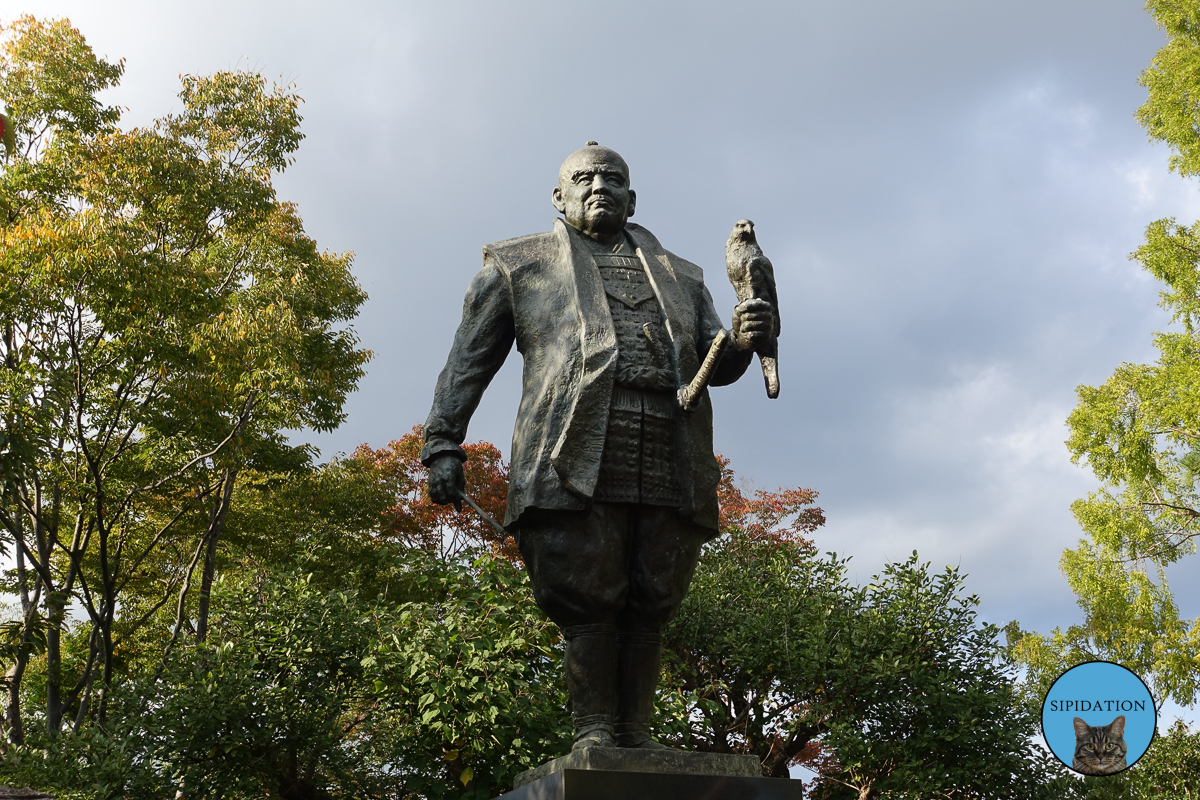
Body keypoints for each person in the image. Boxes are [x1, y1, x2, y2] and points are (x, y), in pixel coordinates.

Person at [422, 142, 774, 751]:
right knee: (588, 593)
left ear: (632, 197)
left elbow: (716, 362)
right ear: (559, 197)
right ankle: (593, 733)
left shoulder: (684, 276)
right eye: (582, 178)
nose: (598, 185)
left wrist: (743, 340)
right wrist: (443, 441)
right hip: (572, 444)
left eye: (612, 178)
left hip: (669, 441)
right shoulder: (518, 264)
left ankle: (637, 733)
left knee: (651, 594)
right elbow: (469, 361)